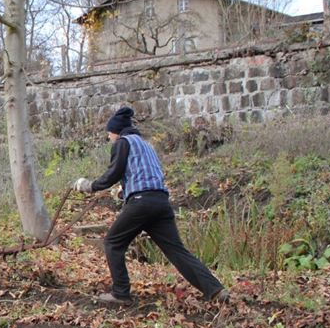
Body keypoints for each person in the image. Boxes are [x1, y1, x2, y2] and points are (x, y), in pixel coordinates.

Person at [74, 106, 229, 305]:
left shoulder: (122, 142)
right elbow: (143, 174)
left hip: (142, 203)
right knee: (176, 251)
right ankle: (215, 290)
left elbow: (113, 173)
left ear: (117, 130)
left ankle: (120, 293)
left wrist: (89, 186)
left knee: (113, 243)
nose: (108, 136)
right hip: (161, 203)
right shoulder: (147, 146)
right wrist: (125, 191)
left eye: (109, 132)